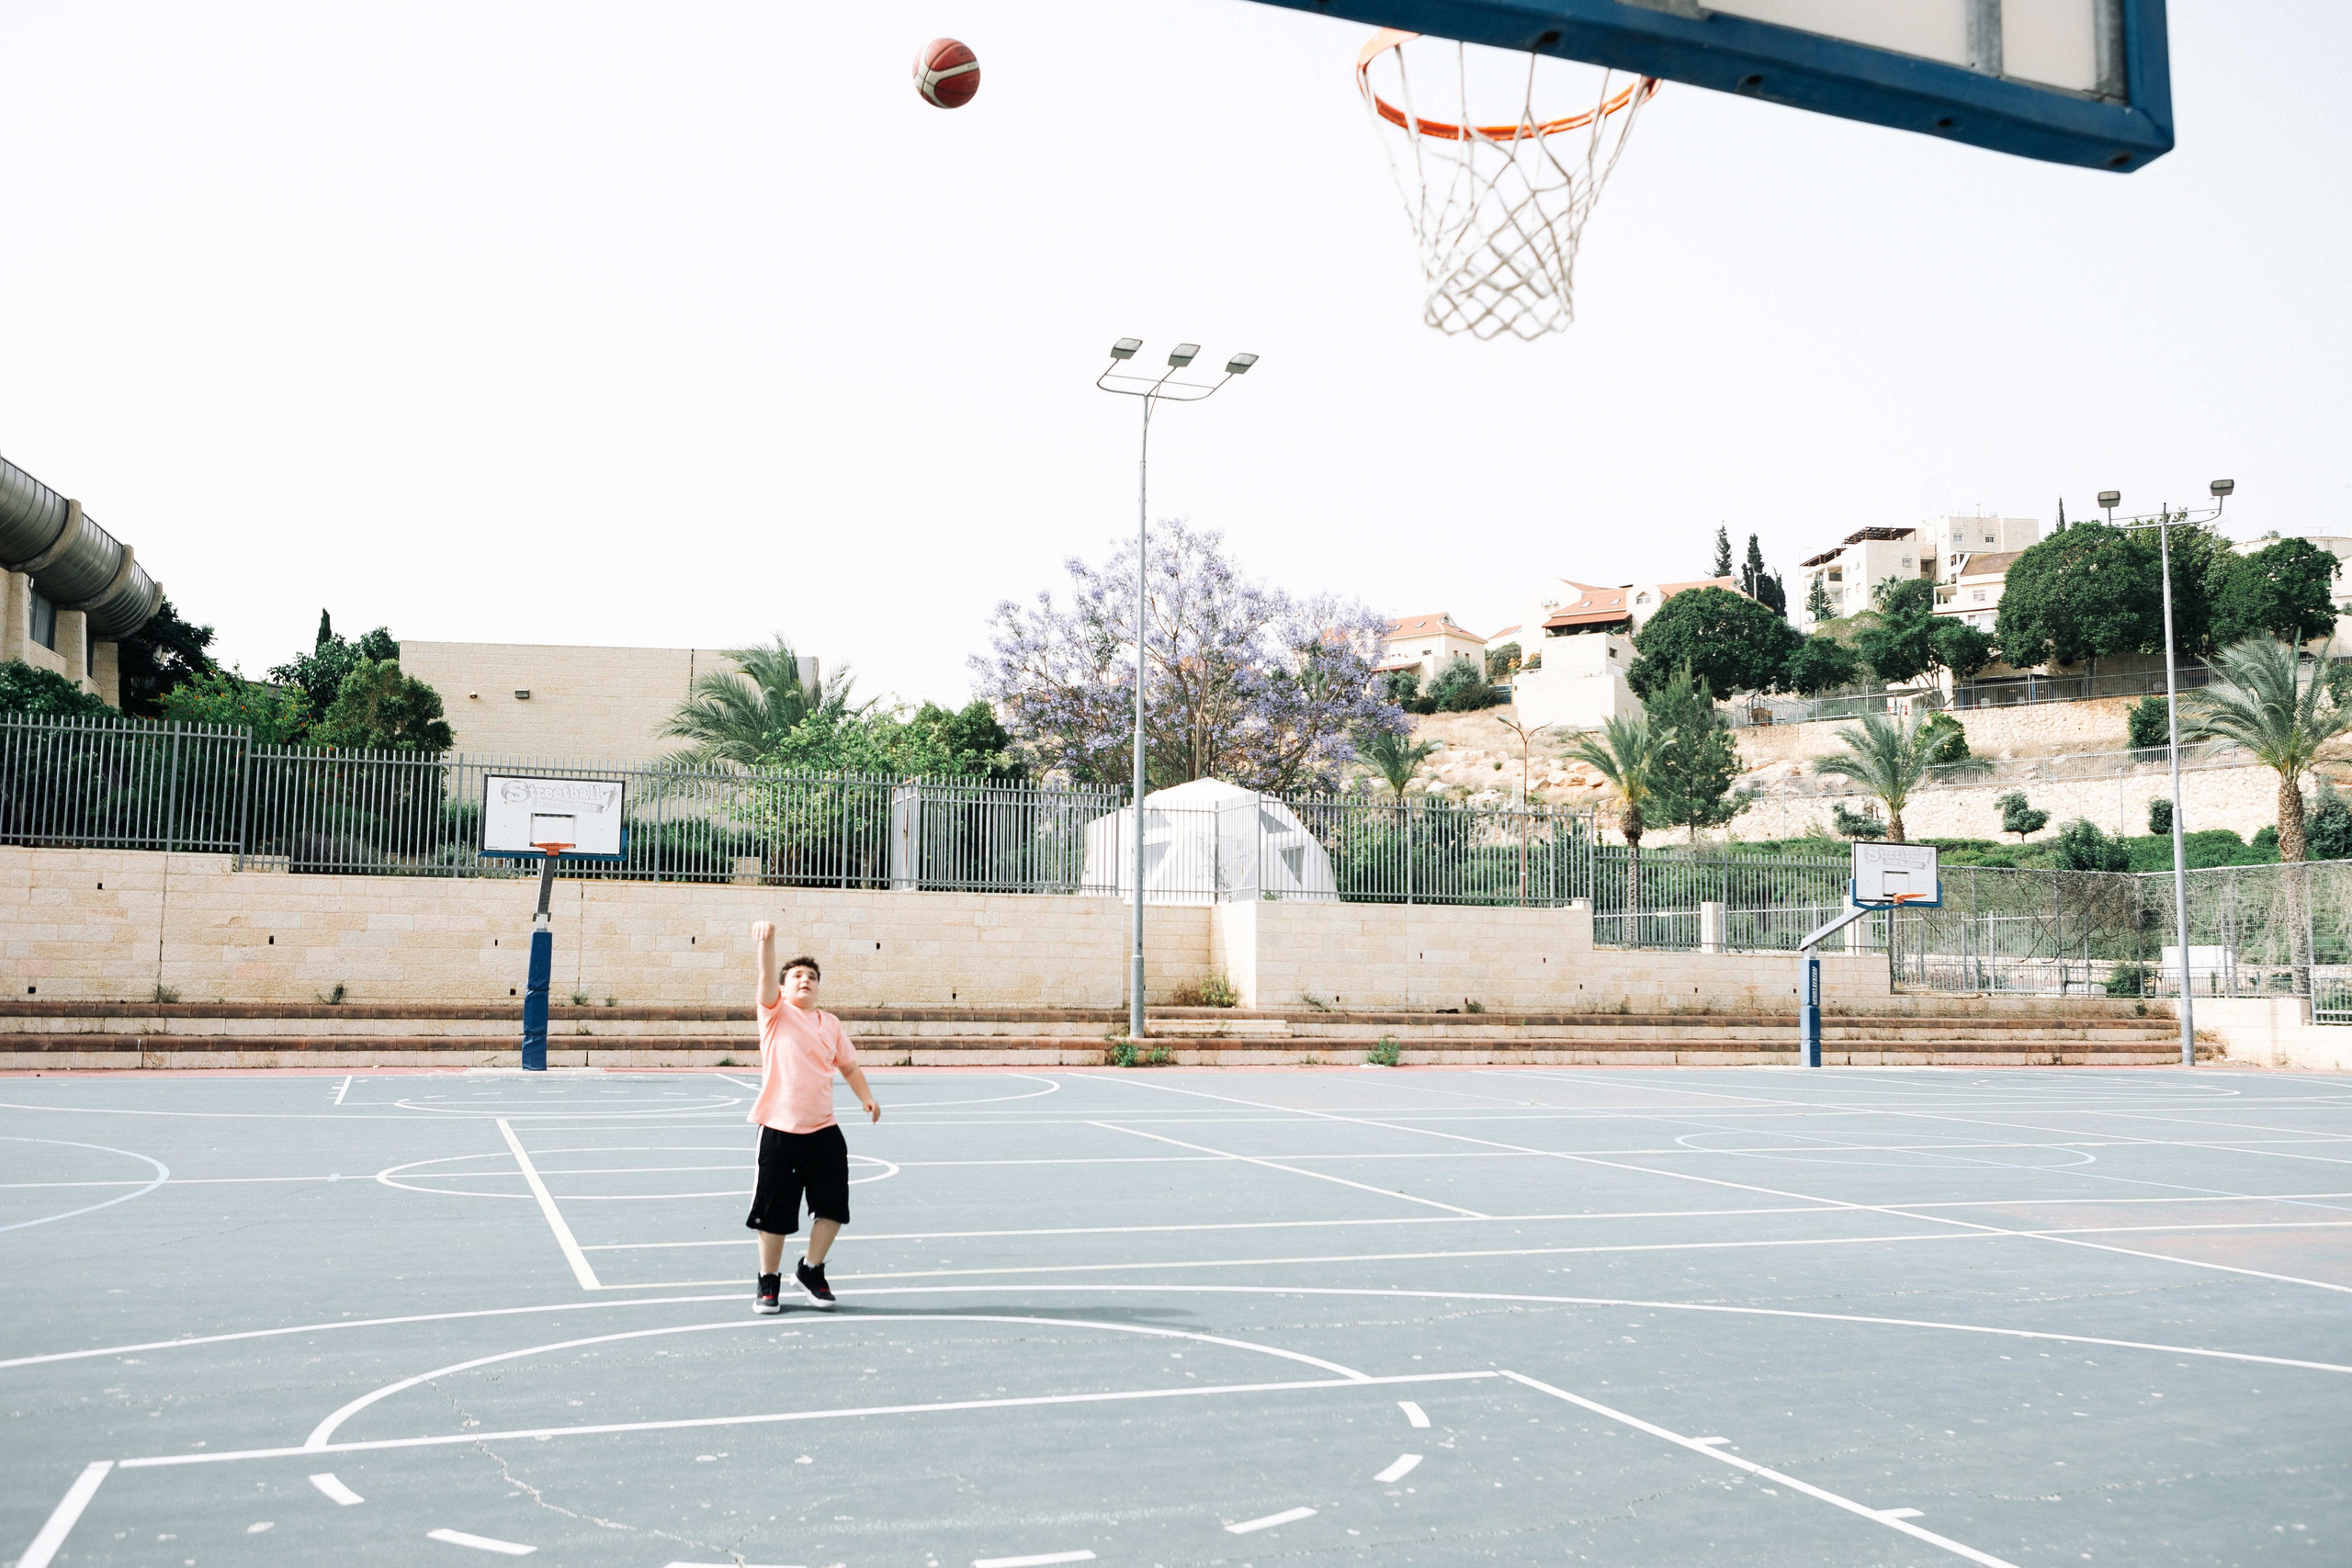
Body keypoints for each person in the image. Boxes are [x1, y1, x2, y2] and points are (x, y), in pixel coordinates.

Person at [744, 921, 878, 1313]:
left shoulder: (830, 1024)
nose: (806, 980)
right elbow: (766, 974)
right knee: (774, 1215)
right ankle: (768, 1282)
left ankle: (811, 1268)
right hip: (780, 1131)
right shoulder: (774, 1015)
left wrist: (867, 1098)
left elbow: (850, 1067)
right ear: (784, 989)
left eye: (812, 977)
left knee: (834, 1209)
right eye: (797, 976)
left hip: (824, 1132)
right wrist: (767, 942)